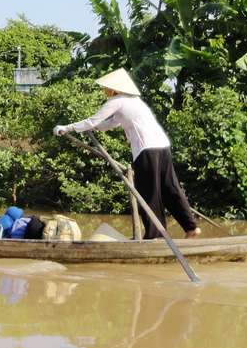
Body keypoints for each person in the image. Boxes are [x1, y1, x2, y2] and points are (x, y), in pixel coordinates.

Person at [53, 69, 200, 239]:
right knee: (169, 188)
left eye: (106, 87)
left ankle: (155, 235)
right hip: (162, 146)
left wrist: (67, 128)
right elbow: (109, 123)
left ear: (115, 88)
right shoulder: (134, 101)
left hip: (146, 150)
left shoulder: (117, 101)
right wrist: (91, 128)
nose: (104, 91)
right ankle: (191, 227)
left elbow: (93, 120)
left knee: (148, 193)